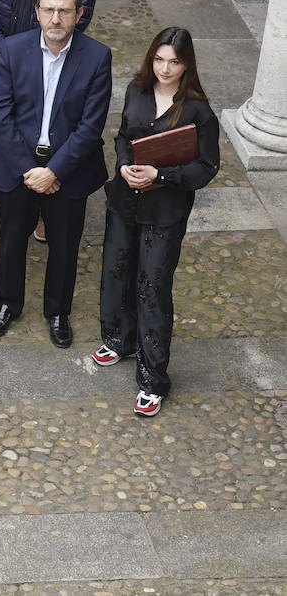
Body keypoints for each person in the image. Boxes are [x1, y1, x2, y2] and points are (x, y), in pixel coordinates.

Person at [95, 27, 220, 417]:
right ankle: (120, 338)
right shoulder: (136, 91)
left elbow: (206, 167)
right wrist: (123, 165)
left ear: (187, 65)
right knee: (116, 272)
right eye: (159, 59)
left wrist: (160, 175)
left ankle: (153, 378)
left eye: (174, 62)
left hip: (164, 211)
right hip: (125, 201)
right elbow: (122, 137)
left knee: (152, 287)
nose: (165, 69)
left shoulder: (199, 111)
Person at [0, 0, 112, 347]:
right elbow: (1, 116)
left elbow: (91, 126)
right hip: (18, 166)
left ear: (79, 14)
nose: (56, 18)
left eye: (64, 11)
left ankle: (58, 312)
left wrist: (54, 171)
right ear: (37, 11)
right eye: (49, 10)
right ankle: (6, 304)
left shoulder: (97, 56)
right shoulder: (11, 49)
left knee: (65, 245)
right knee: (11, 239)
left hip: (68, 169)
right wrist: (31, 171)